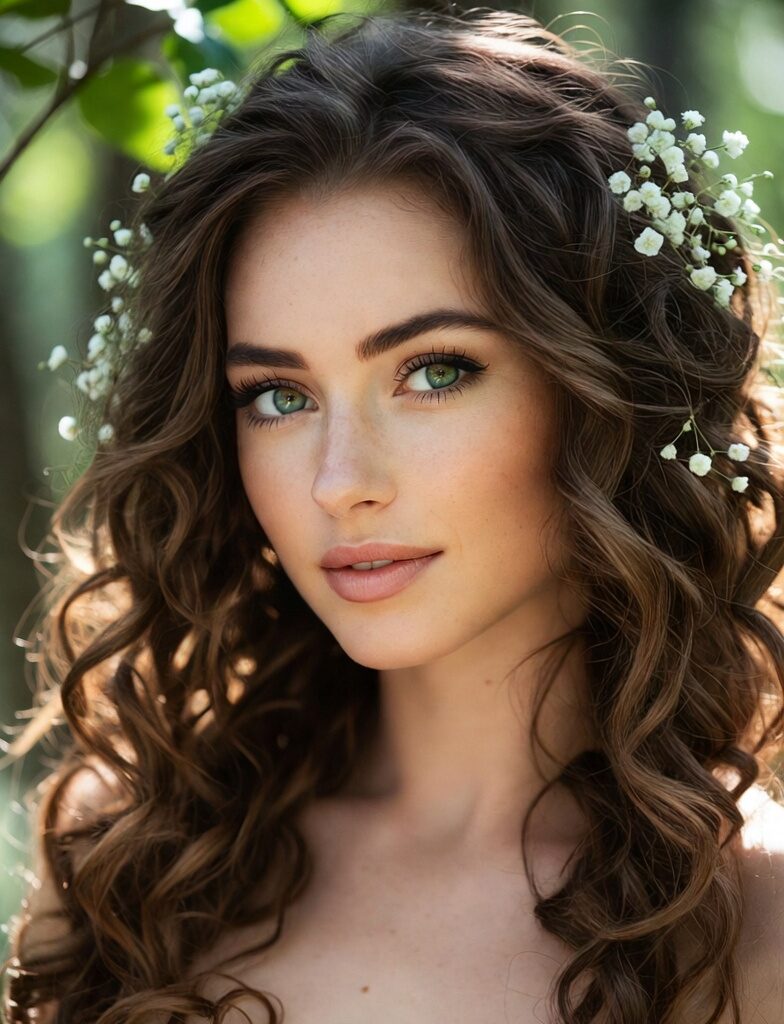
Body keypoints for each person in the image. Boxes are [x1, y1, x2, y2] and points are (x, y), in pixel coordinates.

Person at [3, 9, 784, 1023]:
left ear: (601, 394)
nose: (338, 480)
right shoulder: (132, 870)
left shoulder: (749, 924)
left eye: (433, 372)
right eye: (278, 396)